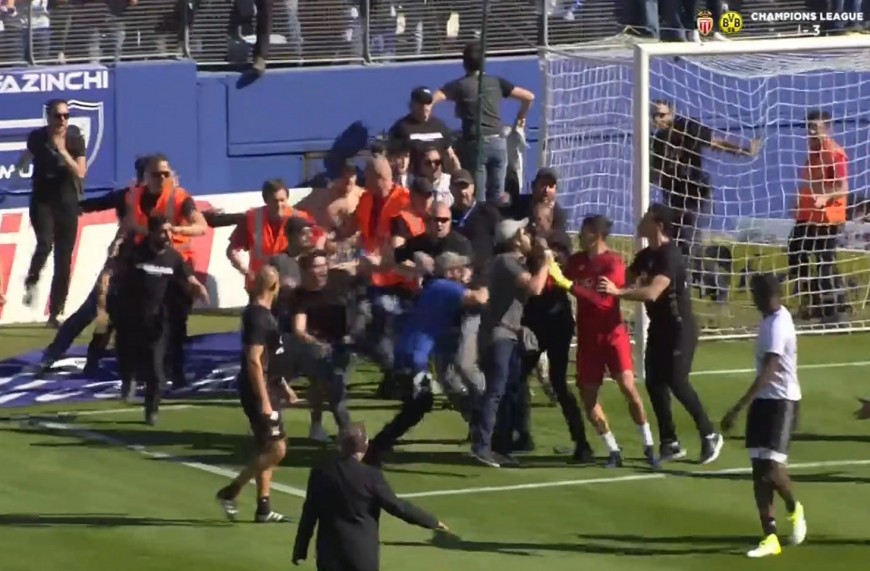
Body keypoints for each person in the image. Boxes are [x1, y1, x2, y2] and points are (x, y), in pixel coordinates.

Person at [598, 203, 723, 464]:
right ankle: (669, 442)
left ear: (658, 224)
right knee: (654, 382)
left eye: (646, 217)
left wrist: (617, 293)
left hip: (679, 328)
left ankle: (709, 433)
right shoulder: (645, 256)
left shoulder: (670, 255)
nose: (640, 220)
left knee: (677, 380)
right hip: (658, 327)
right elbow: (625, 279)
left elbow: (653, 292)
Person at [551, 214, 656, 468]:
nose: (579, 235)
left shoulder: (612, 263)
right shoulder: (576, 262)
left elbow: (603, 301)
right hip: (588, 341)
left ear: (596, 235)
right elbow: (556, 276)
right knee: (588, 398)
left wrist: (567, 285)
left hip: (612, 336)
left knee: (628, 388)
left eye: (584, 231)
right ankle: (613, 450)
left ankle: (648, 444)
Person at [364, 252, 488, 467]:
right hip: (414, 355)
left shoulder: (435, 287)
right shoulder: (445, 287)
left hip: (411, 351)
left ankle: (380, 445)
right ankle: (377, 446)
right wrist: (486, 284)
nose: (464, 271)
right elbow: (478, 298)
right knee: (419, 404)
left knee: (418, 404)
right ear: (450, 272)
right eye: (460, 268)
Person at [720, 273, 806, 558]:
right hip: (764, 402)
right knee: (759, 471)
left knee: (771, 468)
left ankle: (794, 507)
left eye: (754, 293)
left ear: (764, 295)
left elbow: (770, 370)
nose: (751, 299)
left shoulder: (779, 324)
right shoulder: (769, 320)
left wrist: (739, 407)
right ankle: (770, 536)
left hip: (782, 402)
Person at [293, 422, 447, 571]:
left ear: (340, 445)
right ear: (365, 445)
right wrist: (431, 521)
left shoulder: (320, 473)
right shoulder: (371, 476)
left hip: (329, 556)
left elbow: (309, 514)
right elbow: (397, 507)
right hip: (361, 556)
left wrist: (300, 549)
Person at [216, 265, 297, 524]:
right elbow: (253, 360)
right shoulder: (259, 317)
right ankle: (231, 491)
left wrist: (283, 386)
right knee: (277, 449)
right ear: (274, 286)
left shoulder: (262, 315)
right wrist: (264, 401)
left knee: (266, 446)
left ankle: (264, 507)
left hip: (269, 387)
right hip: (259, 391)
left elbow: (267, 359)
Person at [120, 154, 208, 389]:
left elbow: (201, 226)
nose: (161, 178)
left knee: (176, 321)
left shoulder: (179, 197)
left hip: (177, 264)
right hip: (145, 260)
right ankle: (143, 371)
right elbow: (128, 224)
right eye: (156, 174)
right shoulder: (134, 195)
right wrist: (117, 245)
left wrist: (175, 229)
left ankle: (176, 372)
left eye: (165, 174)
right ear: (146, 176)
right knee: (141, 317)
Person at [111, 215, 209, 425]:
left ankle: (152, 409)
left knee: (156, 369)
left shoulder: (173, 257)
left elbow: (187, 275)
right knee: (128, 357)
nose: (168, 236)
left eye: (170, 231)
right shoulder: (136, 254)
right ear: (152, 233)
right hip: (132, 318)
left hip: (158, 322)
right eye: (163, 232)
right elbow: (118, 276)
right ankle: (128, 380)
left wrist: (197, 286)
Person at [470, 218, 550, 468]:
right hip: (500, 336)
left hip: (505, 334)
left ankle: (500, 445)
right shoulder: (506, 262)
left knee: (507, 391)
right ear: (515, 238)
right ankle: (482, 445)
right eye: (524, 232)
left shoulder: (506, 262)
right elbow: (535, 288)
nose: (529, 236)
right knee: (496, 391)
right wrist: (546, 262)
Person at [650, 100, 760, 256]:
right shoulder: (658, 141)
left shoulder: (688, 128)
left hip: (695, 194)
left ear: (672, 114)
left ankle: (698, 266)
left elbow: (717, 143)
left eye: (661, 115)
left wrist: (743, 150)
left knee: (691, 241)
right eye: (654, 115)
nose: (657, 119)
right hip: (673, 197)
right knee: (674, 244)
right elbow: (657, 174)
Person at [432, 42, 535, 203]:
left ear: (464, 63)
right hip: (497, 143)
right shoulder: (496, 82)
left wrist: (429, 118)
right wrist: (521, 119)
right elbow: (528, 97)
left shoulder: (460, 85)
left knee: (478, 197)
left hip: (476, 145)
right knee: (497, 197)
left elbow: (435, 97)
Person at [17, 99, 87, 326]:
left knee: (63, 259)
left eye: (66, 116)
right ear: (48, 117)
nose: (62, 120)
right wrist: (18, 171)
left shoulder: (74, 138)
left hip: (67, 201)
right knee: (45, 243)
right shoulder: (38, 137)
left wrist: (63, 151)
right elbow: (26, 156)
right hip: (42, 200)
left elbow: (80, 172)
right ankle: (32, 279)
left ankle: (56, 312)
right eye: (58, 116)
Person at [787, 109, 849, 319]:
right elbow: (811, 184)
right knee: (796, 251)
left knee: (824, 262)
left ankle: (832, 309)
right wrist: (800, 200)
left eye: (816, 127)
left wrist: (825, 198)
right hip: (808, 215)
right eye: (809, 127)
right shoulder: (812, 155)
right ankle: (810, 300)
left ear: (827, 129)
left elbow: (843, 188)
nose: (811, 132)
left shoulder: (835, 154)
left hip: (828, 217)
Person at [290, 250, 354, 441]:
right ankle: (346, 435)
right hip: (318, 350)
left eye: (324, 265)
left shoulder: (339, 281)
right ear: (305, 271)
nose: (323, 270)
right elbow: (299, 329)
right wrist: (312, 341)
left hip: (344, 346)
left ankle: (342, 433)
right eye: (317, 266)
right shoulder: (300, 296)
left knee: (334, 391)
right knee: (327, 389)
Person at [227, 178, 318, 291]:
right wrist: (246, 272)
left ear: (287, 199)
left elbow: (317, 244)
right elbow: (232, 251)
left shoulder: (301, 218)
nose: (279, 205)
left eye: (282, 200)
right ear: (266, 200)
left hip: (292, 284)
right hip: (261, 285)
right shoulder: (252, 218)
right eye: (275, 201)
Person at [388, 86, 461, 171]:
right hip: (413, 176)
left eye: (428, 103)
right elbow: (393, 158)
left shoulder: (440, 126)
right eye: (421, 103)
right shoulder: (400, 127)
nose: (425, 107)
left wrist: (458, 173)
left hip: (438, 176)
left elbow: (450, 155)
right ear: (411, 105)